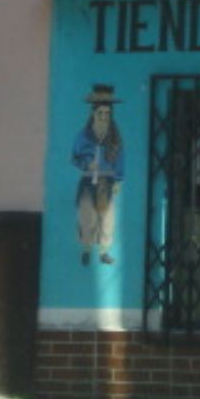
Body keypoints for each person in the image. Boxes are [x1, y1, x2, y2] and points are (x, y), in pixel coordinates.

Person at [73, 84, 125, 266]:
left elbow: (120, 159)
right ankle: (87, 249)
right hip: (88, 180)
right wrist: (86, 162)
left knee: (107, 217)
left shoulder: (115, 138)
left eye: (107, 114)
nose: (103, 117)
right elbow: (75, 157)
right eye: (100, 113)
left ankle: (104, 252)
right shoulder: (84, 136)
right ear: (93, 114)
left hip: (107, 181)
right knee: (87, 213)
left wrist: (118, 180)